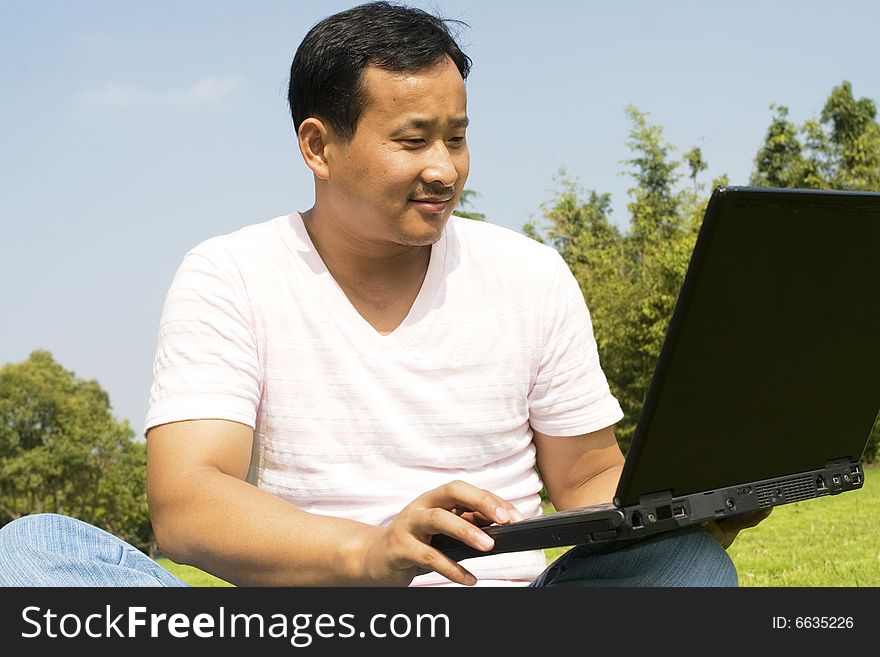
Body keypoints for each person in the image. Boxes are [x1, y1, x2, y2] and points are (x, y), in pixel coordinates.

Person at [0, 1, 768, 588]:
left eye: (457, 136)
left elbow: (587, 475)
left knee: (684, 564)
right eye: (412, 140)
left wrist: (687, 503)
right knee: (31, 551)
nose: (445, 167)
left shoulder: (530, 273)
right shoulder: (230, 274)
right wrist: (368, 549)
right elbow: (188, 502)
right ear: (318, 145)